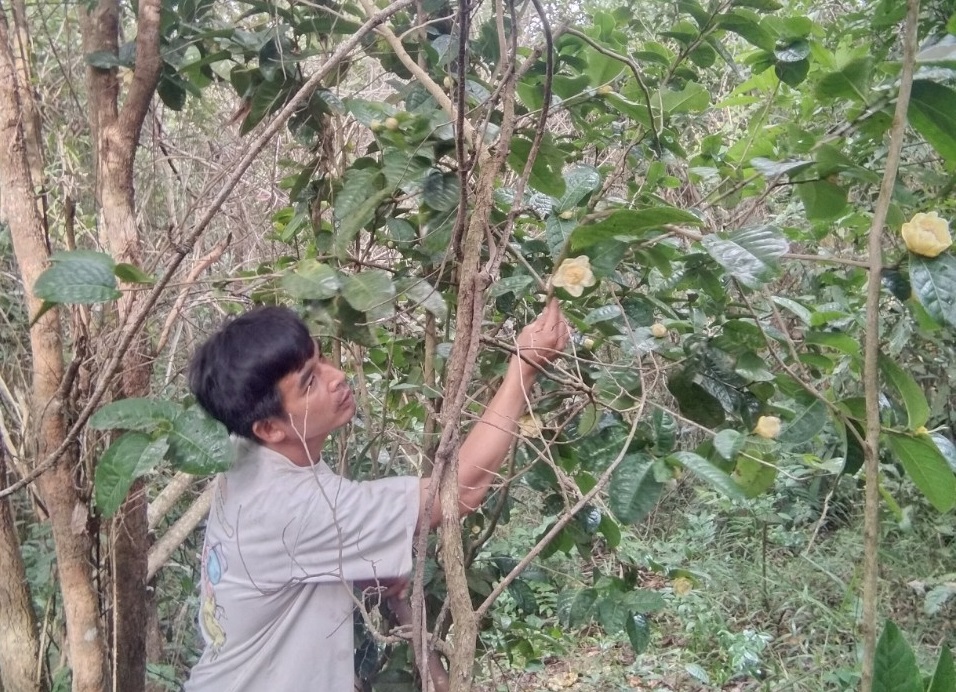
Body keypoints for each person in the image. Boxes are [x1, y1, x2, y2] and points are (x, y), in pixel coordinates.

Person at [182, 300, 567, 691]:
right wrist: (524, 367)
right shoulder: (293, 507)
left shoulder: (241, 452)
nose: (337, 376)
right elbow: (459, 490)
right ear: (268, 428)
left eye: (322, 359)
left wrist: (355, 559)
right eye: (310, 381)